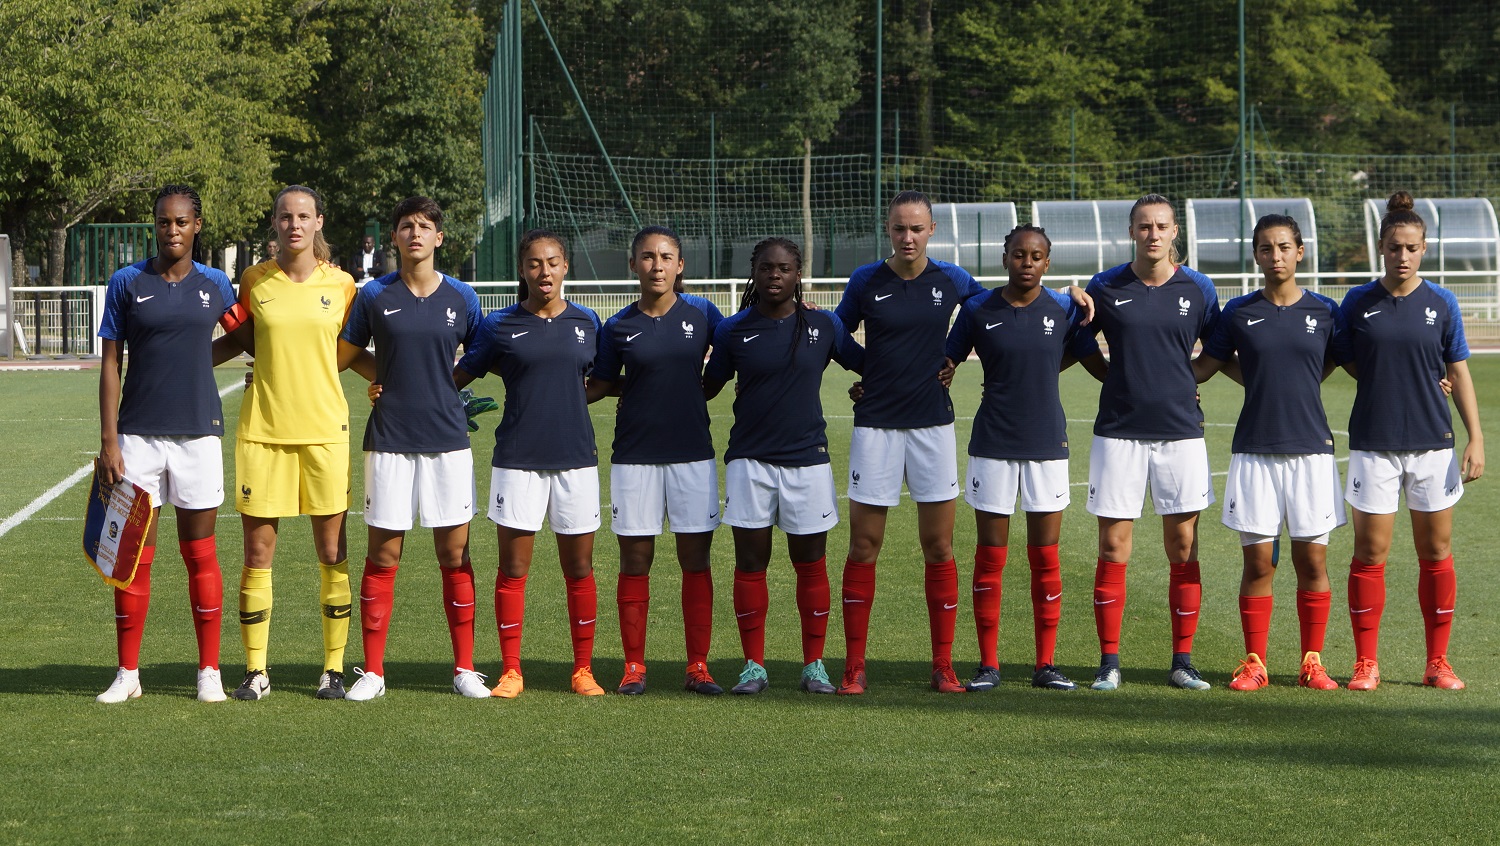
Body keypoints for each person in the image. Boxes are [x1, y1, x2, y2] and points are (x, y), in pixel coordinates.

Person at [833, 190, 1092, 695]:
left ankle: (944, 665)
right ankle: (854, 666)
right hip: (875, 426)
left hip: (933, 426)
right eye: (899, 228)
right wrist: (870, 371)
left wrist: (1072, 297)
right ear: (888, 230)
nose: (908, 237)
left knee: (940, 546)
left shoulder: (953, 280)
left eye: (917, 228)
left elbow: (1005, 301)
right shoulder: (866, 280)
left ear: (931, 231)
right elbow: (835, 333)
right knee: (864, 546)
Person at [221, 184, 372, 701]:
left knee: (332, 552)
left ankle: (333, 669)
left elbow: (351, 354)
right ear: (275, 223)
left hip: (326, 433)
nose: (294, 225)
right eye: (286, 217)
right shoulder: (253, 280)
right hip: (263, 432)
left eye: (304, 216)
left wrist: (398, 382)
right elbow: (246, 341)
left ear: (319, 223)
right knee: (257, 553)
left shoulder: (346, 285)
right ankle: (256, 671)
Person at [334, 197, 488, 701]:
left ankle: (464, 668)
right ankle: (373, 673)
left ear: (439, 238)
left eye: (424, 226)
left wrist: (453, 383)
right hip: (391, 440)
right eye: (406, 226)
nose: (415, 233)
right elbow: (345, 353)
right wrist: (384, 378)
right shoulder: (375, 294)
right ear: (395, 238)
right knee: (383, 552)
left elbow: (485, 351)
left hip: (448, 440)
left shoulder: (463, 297)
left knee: (454, 552)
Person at [1330, 191, 1484, 691]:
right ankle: (1366, 662)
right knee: (1370, 553)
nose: (1403, 256)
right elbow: (1348, 361)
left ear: (1424, 249)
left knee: (1435, 552)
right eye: (1395, 247)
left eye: (1412, 248)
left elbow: (1457, 371)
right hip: (1374, 443)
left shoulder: (1442, 302)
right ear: (1381, 247)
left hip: (1432, 444)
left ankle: (1437, 661)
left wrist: (1475, 438)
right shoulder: (1357, 302)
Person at [94, 185, 241, 703]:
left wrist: (203, 362)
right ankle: (128, 674)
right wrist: (110, 441)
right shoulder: (127, 282)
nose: (171, 230)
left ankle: (209, 672)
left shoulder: (218, 284)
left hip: (200, 435)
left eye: (181, 222)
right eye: (163, 222)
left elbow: (245, 336)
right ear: (154, 225)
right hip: (136, 439)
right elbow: (110, 362)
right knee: (132, 558)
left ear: (197, 225)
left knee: (200, 555)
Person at [944, 224, 1103, 692]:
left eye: (1036, 256)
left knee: (1045, 558)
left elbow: (1098, 364)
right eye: (1019, 254)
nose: (1027, 262)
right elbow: (943, 362)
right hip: (993, 444)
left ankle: (1045, 664)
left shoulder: (1064, 308)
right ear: (1005, 258)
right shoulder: (977, 309)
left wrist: (1163, 389)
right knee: (990, 557)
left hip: (1046, 446)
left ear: (1047, 263)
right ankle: (988, 665)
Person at [1071, 193, 1219, 692]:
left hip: (1181, 432)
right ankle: (1109, 662)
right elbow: (1078, 341)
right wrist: (1112, 377)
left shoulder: (1199, 289)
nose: (1152, 234)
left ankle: (1183, 661)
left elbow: (1218, 348)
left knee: (1183, 546)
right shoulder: (1105, 286)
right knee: (1114, 546)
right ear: (1131, 232)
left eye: (1161, 226)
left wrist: (1183, 378)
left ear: (1175, 232)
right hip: (1119, 431)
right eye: (1143, 226)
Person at [703, 237, 864, 694]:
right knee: (750, 564)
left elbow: (868, 364)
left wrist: (868, 389)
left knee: (810, 563)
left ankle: (814, 665)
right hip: (749, 462)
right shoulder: (733, 330)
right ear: (754, 272)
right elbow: (708, 388)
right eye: (767, 267)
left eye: (785, 268)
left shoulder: (823, 325)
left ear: (799, 275)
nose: (775, 275)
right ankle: (753, 666)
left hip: (807, 462)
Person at [1193, 214, 1345, 691]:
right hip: (1255, 450)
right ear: (1256, 255)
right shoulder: (1238, 312)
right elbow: (1204, 367)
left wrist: (1431, 378)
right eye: (1265, 248)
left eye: (1283, 247)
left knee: (1312, 562)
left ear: (1300, 252)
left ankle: (1311, 663)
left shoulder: (1325, 311)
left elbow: (1365, 362)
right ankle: (1255, 662)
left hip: (1311, 453)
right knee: (1259, 563)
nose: (1275, 256)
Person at [454, 229, 606, 698]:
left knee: (579, 569)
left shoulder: (588, 321)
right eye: (535, 263)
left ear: (565, 268)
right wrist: (433, 401)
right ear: (523, 270)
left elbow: (601, 380)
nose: (545, 271)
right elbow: (459, 373)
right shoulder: (500, 325)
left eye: (553, 262)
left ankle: (583, 670)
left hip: (576, 460)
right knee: (513, 569)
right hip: (517, 460)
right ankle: (511, 670)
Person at [586, 226, 725, 695]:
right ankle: (633, 666)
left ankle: (698, 666)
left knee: (695, 559)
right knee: (635, 559)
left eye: (667, 257)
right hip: (635, 457)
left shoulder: (704, 314)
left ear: (680, 265)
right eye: (647, 257)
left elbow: (742, 346)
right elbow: (601, 384)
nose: (657, 265)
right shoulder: (618, 326)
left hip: (692, 455)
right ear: (634, 265)